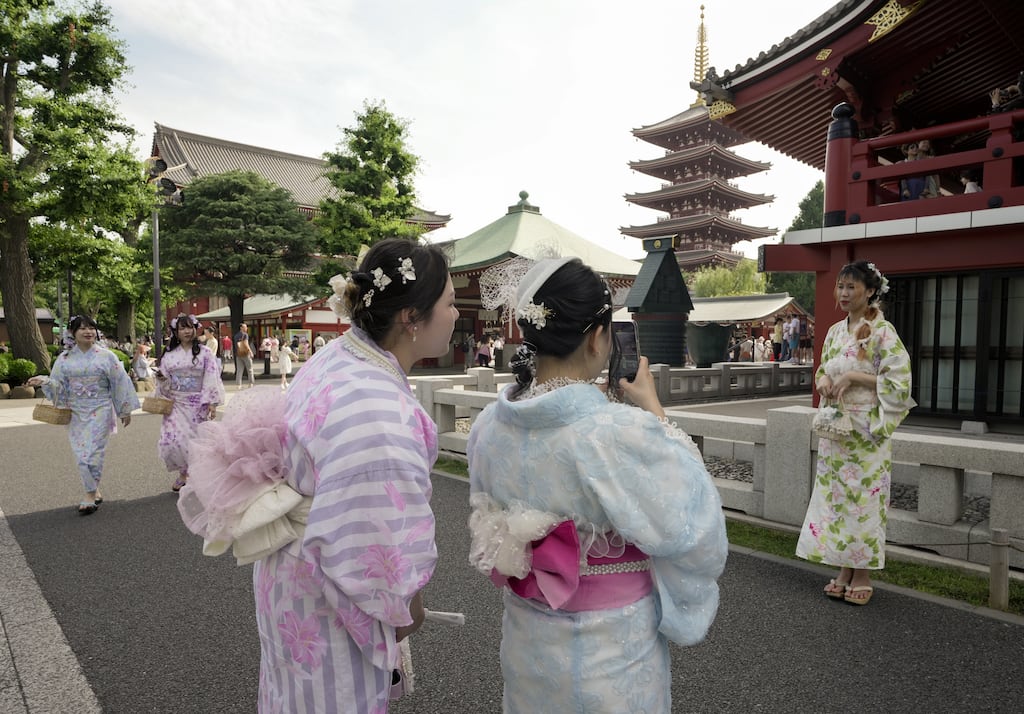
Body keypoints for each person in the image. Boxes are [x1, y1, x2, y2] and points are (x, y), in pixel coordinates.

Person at [182, 239, 458, 712]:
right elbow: (375, 532)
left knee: (294, 693)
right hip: (328, 584)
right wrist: (405, 600)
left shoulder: (339, 357)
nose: (455, 315)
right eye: (451, 304)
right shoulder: (378, 408)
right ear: (412, 317)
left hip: (292, 571)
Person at [466, 257, 727, 712]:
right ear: (598, 338)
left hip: (527, 640)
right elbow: (690, 522)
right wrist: (655, 412)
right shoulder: (616, 433)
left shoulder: (488, 425)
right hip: (612, 649)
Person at [796, 261, 915, 606]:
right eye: (841, 287)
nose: (844, 294)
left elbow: (899, 383)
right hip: (837, 425)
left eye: (852, 287)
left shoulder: (883, 331)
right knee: (835, 498)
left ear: (871, 291)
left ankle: (861, 574)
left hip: (866, 429)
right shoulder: (835, 331)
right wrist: (825, 382)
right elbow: (821, 369)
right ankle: (843, 568)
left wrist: (854, 379)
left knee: (862, 501)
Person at [27, 315, 140, 515]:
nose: (88, 332)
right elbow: (59, 386)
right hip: (76, 410)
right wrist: (44, 381)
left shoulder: (107, 356)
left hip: (100, 409)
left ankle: (89, 494)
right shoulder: (64, 359)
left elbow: (120, 382)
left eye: (91, 328)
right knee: (81, 454)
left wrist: (124, 409)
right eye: (82, 328)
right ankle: (93, 488)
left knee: (93, 453)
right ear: (72, 333)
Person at [155, 314, 225, 493]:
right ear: (176, 332)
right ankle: (183, 472)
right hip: (176, 403)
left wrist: (212, 402)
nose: (186, 331)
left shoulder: (205, 353)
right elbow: (164, 381)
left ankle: (191, 475)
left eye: (189, 327)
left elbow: (211, 377)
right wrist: (163, 379)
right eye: (182, 328)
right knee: (173, 441)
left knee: (195, 441)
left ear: (195, 329)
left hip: (197, 404)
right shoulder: (169, 355)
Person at [234, 322, 255, 389]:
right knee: (250, 369)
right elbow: (246, 344)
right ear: (241, 328)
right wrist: (250, 352)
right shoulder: (245, 335)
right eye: (245, 327)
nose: (246, 328)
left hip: (238, 354)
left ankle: (238, 385)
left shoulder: (236, 335)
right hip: (245, 354)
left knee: (239, 370)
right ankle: (251, 383)